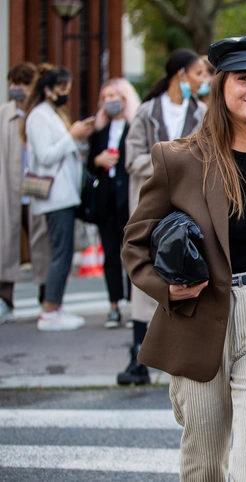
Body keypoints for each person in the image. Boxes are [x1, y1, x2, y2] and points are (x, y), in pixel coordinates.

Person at [121, 34, 246, 481]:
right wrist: (168, 289)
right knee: (205, 459)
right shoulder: (177, 160)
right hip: (196, 316)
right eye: (244, 78)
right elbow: (134, 244)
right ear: (221, 86)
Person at [120, 49, 206, 385]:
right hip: (149, 202)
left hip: (188, 205)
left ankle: (185, 353)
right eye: (199, 73)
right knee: (144, 272)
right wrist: (167, 164)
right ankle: (138, 355)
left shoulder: (202, 112)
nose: (203, 80)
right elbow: (133, 158)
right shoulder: (146, 112)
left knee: (189, 271)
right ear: (181, 74)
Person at [21, 64, 94, 331]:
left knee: (63, 254)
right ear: (48, 90)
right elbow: (45, 155)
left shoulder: (52, 113)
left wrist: (77, 137)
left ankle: (56, 307)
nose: (66, 94)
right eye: (62, 89)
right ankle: (50, 311)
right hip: (55, 196)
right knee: (61, 255)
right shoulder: (38, 116)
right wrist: (71, 136)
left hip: (64, 195)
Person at [87, 78, 141, 328]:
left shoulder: (134, 127)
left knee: (131, 252)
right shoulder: (98, 131)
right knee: (110, 253)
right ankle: (114, 305)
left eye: (115, 96)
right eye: (105, 96)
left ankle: (134, 305)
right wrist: (98, 160)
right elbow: (89, 164)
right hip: (105, 199)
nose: (110, 101)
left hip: (128, 198)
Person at [0, 62, 49, 324]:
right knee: (5, 243)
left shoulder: (41, 114)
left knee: (41, 244)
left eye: (22, 84)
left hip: (37, 190)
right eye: (13, 83)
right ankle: (5, 300)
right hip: (8, 189)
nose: (16, 89)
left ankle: (46, 298)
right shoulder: (3, 114)